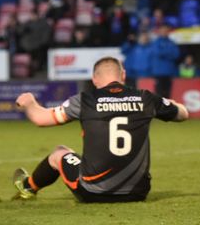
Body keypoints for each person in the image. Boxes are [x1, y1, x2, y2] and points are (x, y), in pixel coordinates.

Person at [11, 57, 189, 202]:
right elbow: (183, 114)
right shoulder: (146, 98)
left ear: (94, 78)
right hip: (137, 193)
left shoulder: (85, 100)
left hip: (92, 192)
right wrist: (171, 103)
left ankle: (28, 187)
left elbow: (41, 119)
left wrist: (29, 103)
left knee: (59, 152)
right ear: (123, 75)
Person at [150, 25, 180, 98]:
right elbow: (157, 53)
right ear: (159, 32)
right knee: (158, 94)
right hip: (158, 72)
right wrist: (169, 53)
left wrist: (164, 53)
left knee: (167, 95)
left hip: (169, 72)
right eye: (163, 31)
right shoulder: (155, 42)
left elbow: (176, 55)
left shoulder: (172, 43)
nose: (164, 32)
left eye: (166, 31)